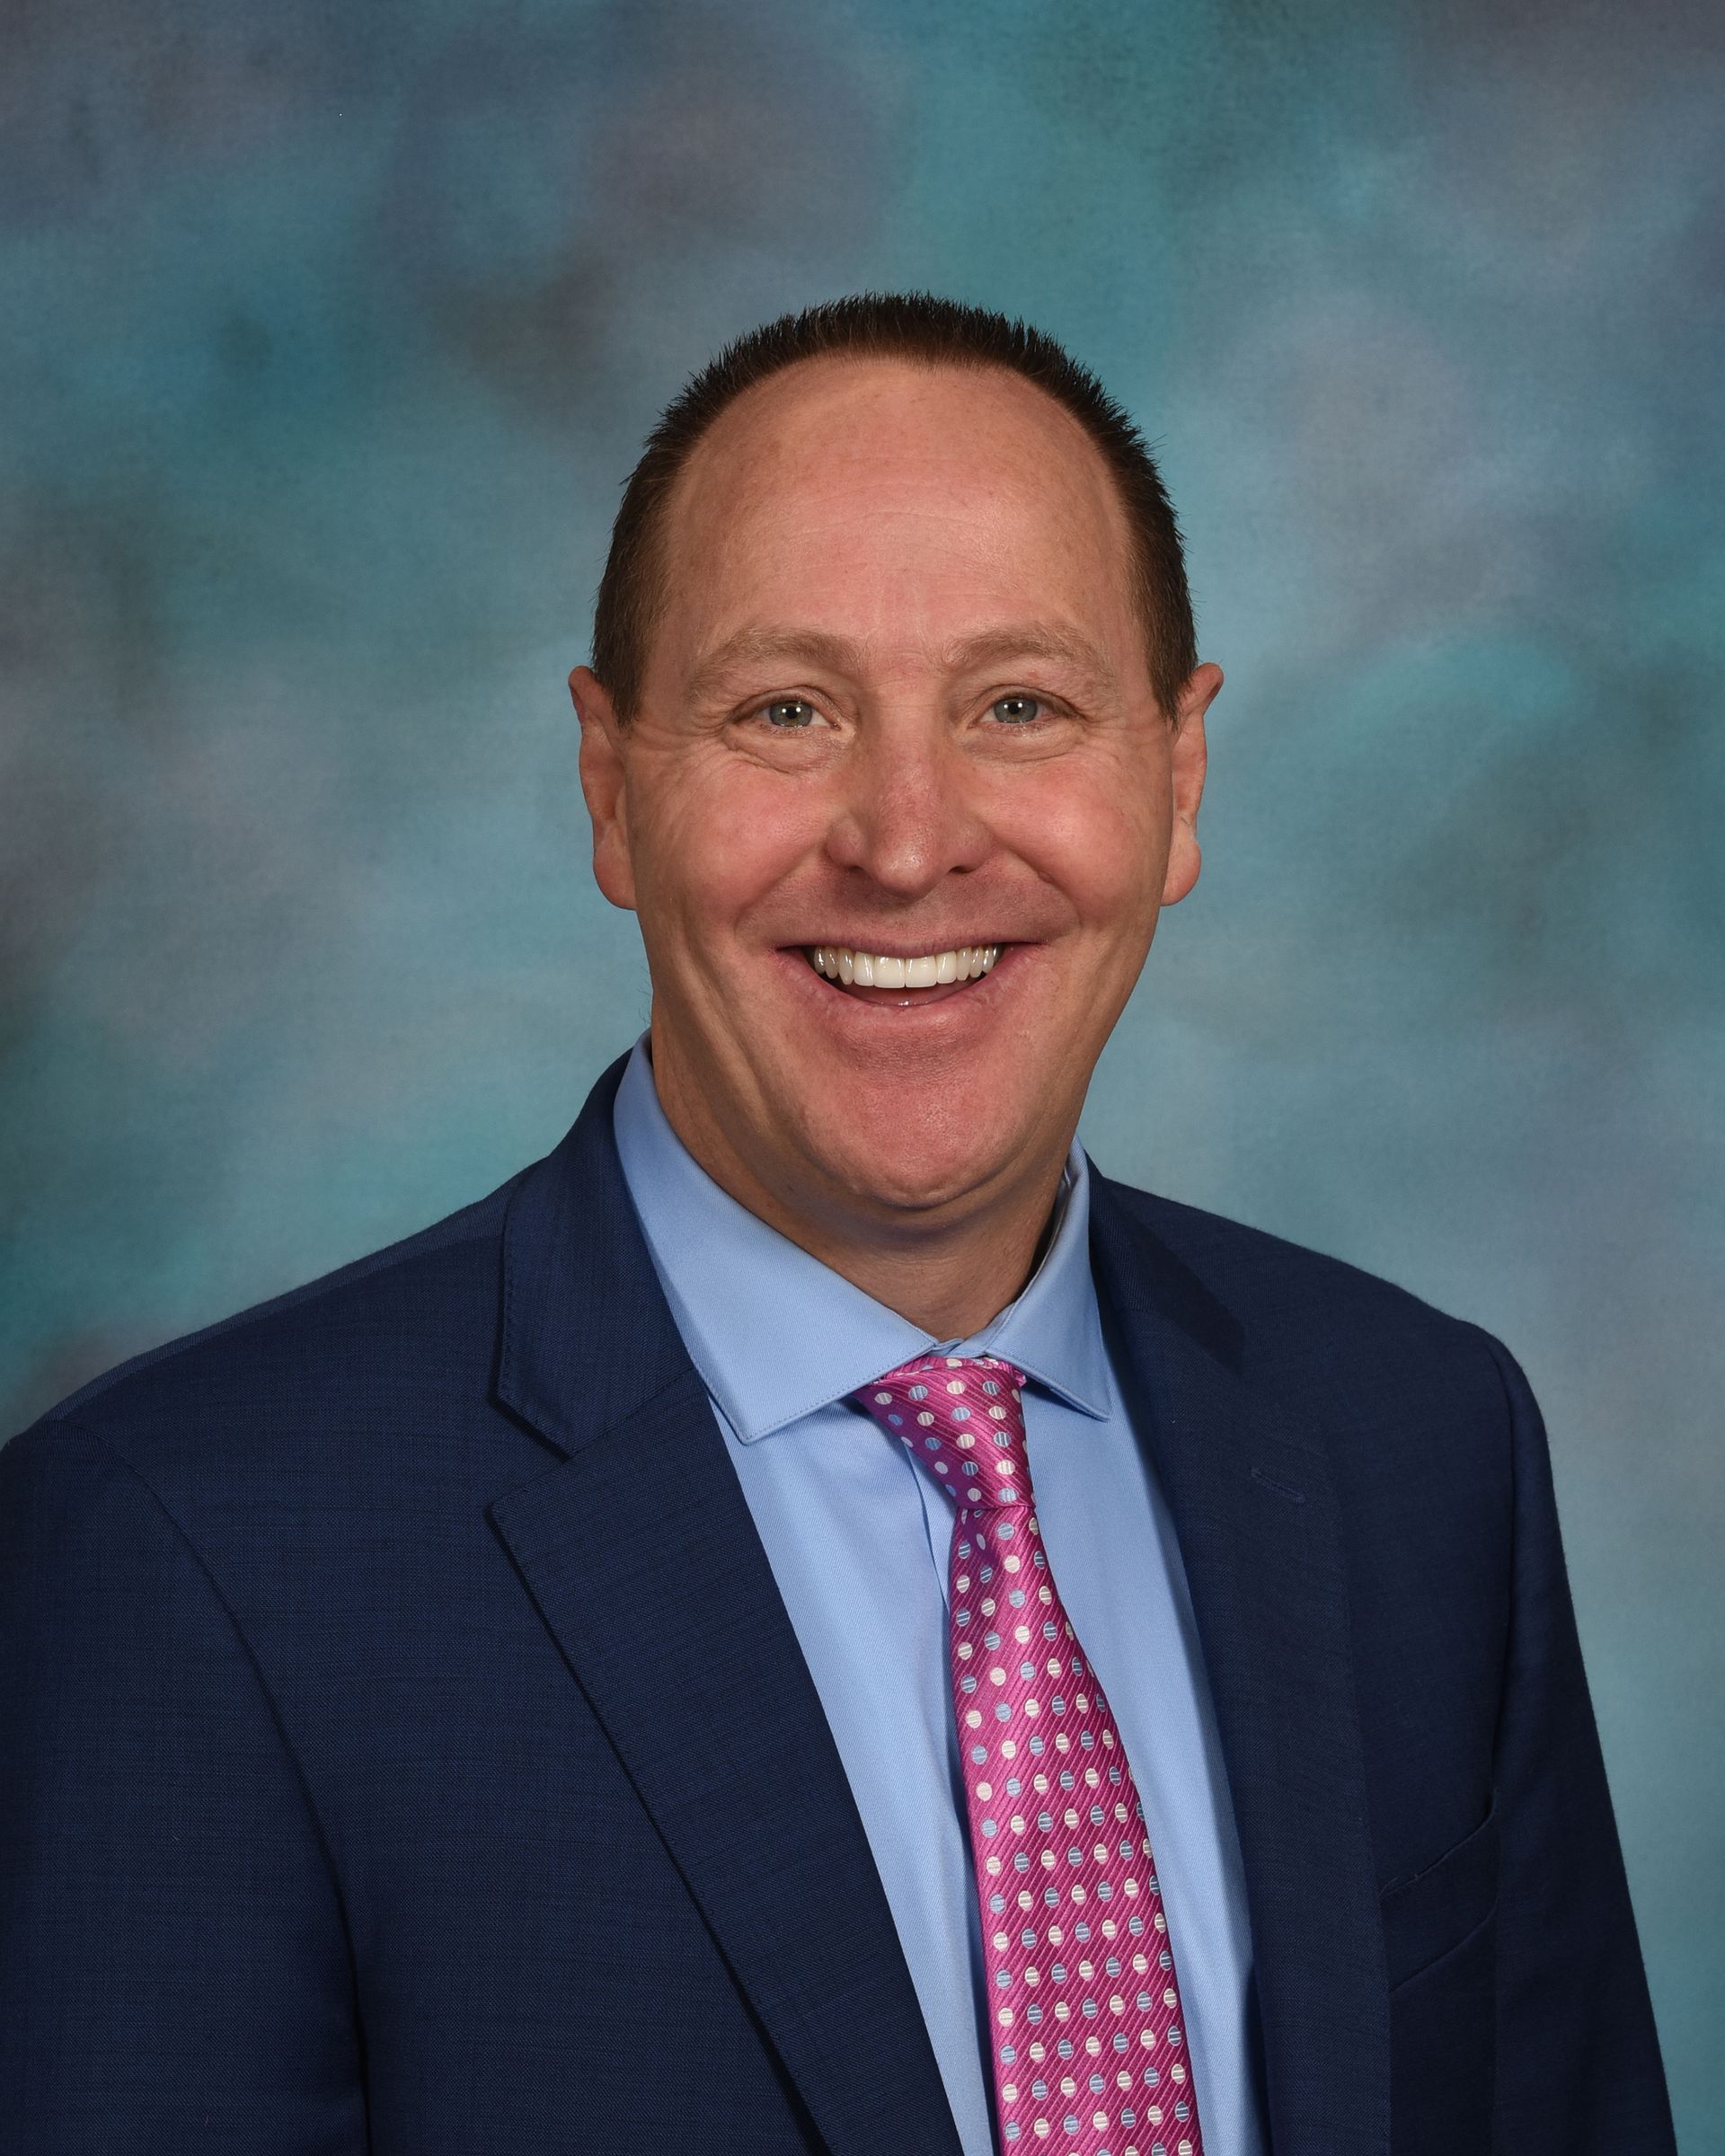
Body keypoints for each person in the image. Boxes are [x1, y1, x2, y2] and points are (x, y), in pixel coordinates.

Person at [0, 293, 1675, 2156]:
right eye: (787, 710)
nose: (904, 837)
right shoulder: (188, 1556)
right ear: (613, 783)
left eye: (1017, 706)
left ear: (1177, 777)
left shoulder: (1417, 1450)